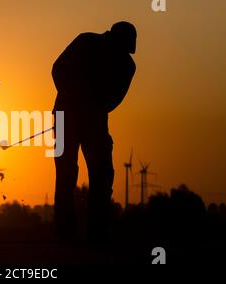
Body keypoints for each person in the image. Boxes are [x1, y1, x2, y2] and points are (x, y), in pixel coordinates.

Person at [52, 21, 137, 244]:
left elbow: (113, 99)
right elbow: (58, 69)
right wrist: (73, 97)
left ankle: (97, 232)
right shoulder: (85, 41)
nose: (122, 54)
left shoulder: (127, 66)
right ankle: (65, 232)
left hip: (95, 122)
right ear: (113, 39)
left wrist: (90, 106)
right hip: (66, 118)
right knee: (66, 173)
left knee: (102, 174)